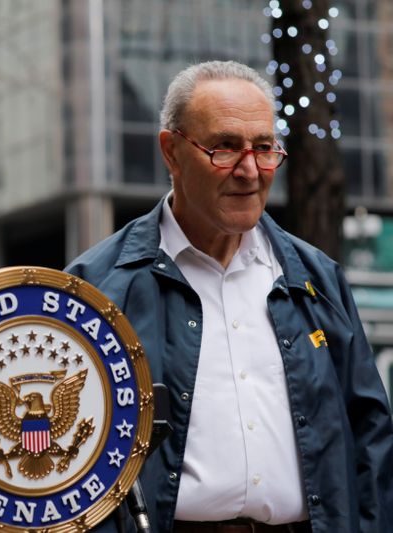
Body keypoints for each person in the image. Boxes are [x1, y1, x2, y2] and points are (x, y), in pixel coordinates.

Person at [66, 61, 393, 533]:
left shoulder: (315, 278)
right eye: (224, 148)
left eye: (264, 149)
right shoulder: (98, 287)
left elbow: (370, 437)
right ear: (171, 152)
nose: (249, 170)